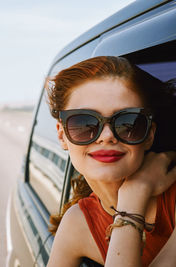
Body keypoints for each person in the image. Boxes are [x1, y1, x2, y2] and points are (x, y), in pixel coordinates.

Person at [45, 56, 176, 267]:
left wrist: (134, 195)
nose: (106, 136)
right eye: (84, 122)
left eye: (128, 122)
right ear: (62, 136)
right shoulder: (78, 223)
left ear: (149, 134)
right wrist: (134, 194)